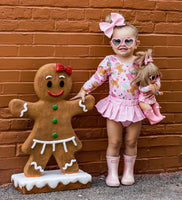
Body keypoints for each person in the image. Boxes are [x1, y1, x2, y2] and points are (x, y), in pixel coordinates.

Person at [71, 13, 156, 187]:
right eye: (117, 41)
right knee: (115, 141)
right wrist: (83, 90)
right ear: (111, 43)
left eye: (128, 41)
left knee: (132, 141)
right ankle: (112, 174)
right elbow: (98, 78)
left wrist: (155, 88)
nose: (122, 45)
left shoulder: (142, 62)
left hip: (135, 107)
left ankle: (128, 173)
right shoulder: (109, 61)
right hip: (115, 107)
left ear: (136, 43)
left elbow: (153, 79)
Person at [132, 49, 165, 125]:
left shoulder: (154, 83)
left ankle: (158, 115)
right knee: (148, 108)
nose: (156, 79)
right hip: (144, 100)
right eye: (153, 78)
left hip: (151, 98)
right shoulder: (144, 84)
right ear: (146, 78)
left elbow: (156, 88)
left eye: (157, 76)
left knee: (155, 104)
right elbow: (141, 89)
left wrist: (158, 92)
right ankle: (153, 118)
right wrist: (148, 88)